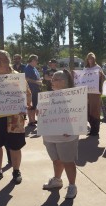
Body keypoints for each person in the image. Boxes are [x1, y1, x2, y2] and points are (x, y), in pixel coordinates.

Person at [0, 50, 32, 185]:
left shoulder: (17, 77)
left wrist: (27, 104)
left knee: (15, 146)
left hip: (14, 118)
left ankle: (16, 171)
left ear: (8, 61)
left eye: (2, 58)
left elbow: (27, 94)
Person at [41, 69, 78, 199]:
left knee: (68, 162)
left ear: (64, 82)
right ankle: (57, 180)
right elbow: (43, 114)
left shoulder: (74, 96)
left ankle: (72, 185)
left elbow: (79, 116)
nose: (52, 81)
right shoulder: (48, 96)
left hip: (66, 137)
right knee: (56, 160)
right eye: (52, 78)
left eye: (55, 79)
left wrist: (73, 128)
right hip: (50, 135)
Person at [84, 52, 106, 136]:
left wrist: (101, 76)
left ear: (94, 59)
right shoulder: (85, 68)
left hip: (95, 93)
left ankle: (95, 130)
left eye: (92, 58)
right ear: (87, 59)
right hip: (87, 93)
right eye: (89, 58)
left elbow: (104, 77)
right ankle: (92, 127)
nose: (90, 59)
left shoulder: (98, 67)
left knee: (95, 111)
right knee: (87, 111)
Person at [24, 54, 42, 126]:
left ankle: (33, 119)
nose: (37, 62)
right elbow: (27, 78)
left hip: (36, 89)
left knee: (34, 104)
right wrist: (36, 82)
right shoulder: (27, 68)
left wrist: (40, 80)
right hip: (30, 89)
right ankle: (30, 121)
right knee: (30, 105)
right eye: (36, 60)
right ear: (33, 60)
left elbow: (37, 78)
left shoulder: (34, 68)